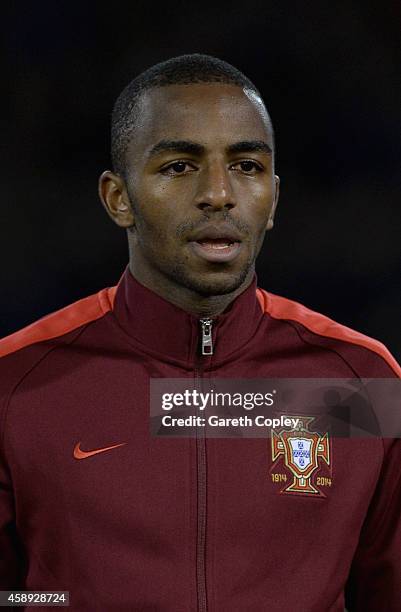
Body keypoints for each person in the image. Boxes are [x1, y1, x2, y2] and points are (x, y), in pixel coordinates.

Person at [0, 54, 400, 612]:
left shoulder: (362, 382)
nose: (219, 193)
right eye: (180, 167)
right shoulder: (15, 385)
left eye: (246, 166)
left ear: (274, 199)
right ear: (119, 199)